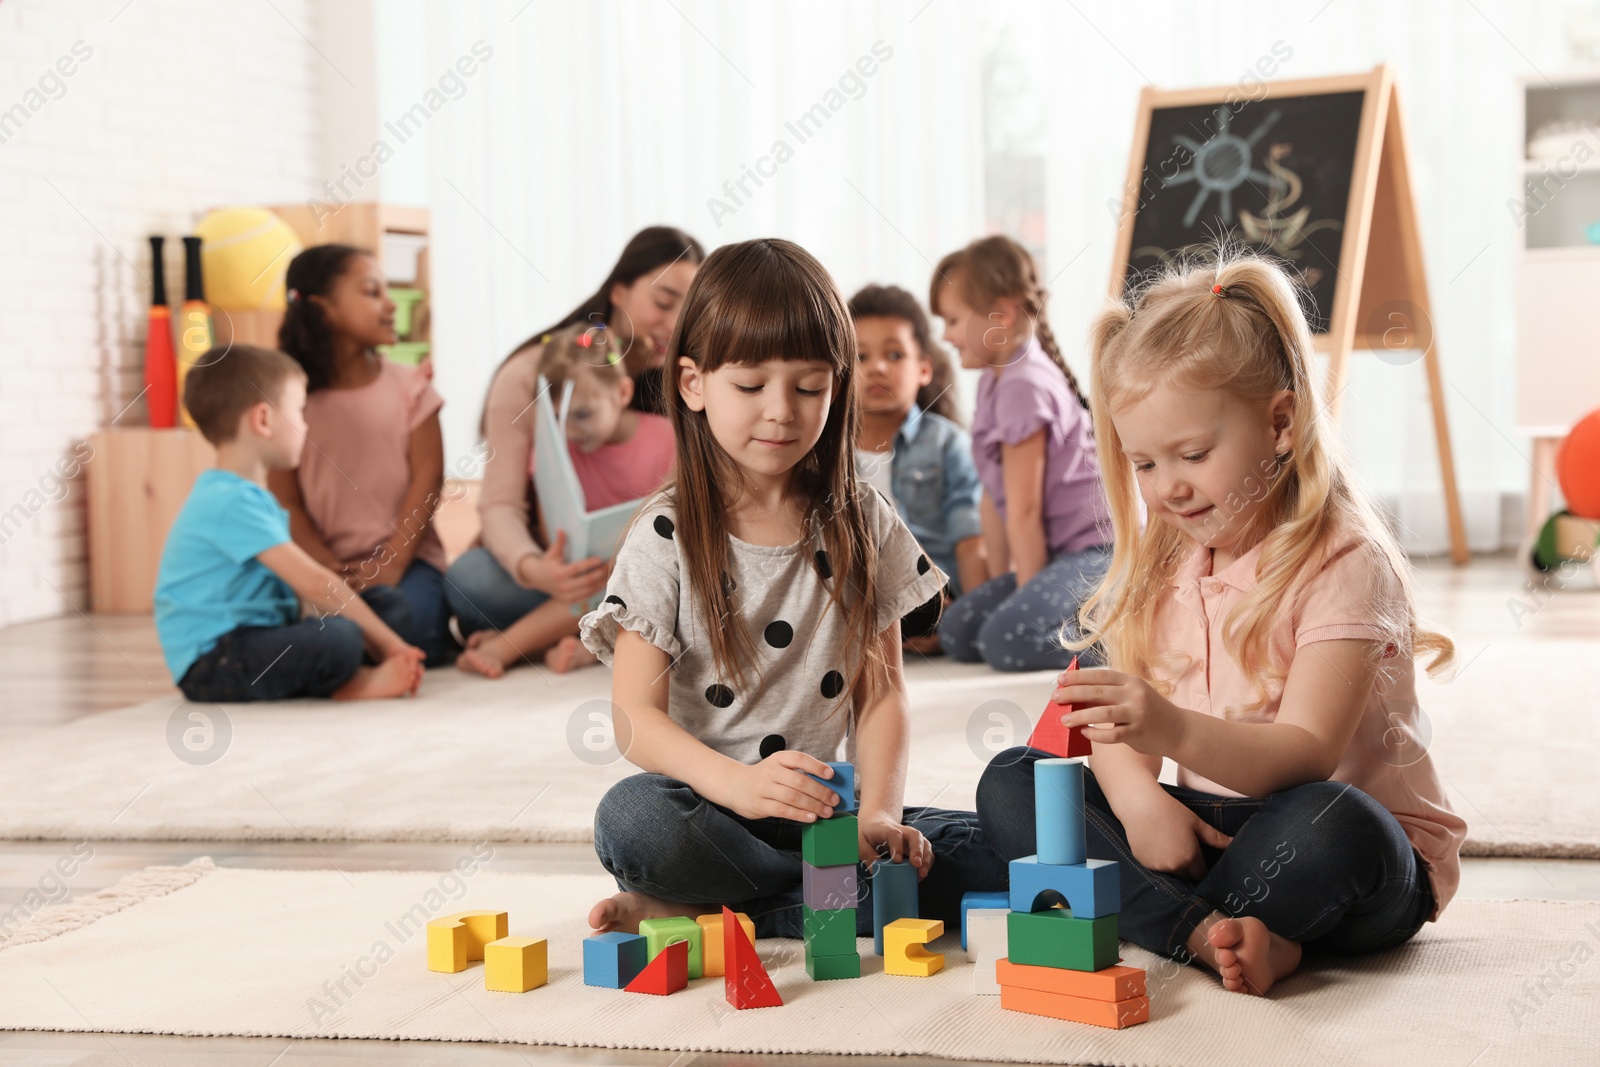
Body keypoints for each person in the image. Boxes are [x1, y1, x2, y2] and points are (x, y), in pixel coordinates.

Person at [976, 251, 1467, 996]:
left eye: (1194, 454)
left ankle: (1170, 922)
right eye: (1143, 464)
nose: (1168, 486)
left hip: (1334, 838)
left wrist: (1168, 732)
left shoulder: (1343, 560)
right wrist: (1141, 802)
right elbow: (1098, 718)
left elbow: (1304, 755)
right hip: (1205, 830)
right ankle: (1215, 933)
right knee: (1013, 780)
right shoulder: (1163, 559)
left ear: (1279, 422)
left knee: (1335, 824)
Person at [576, 239, 1006, 939]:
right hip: (711, 818)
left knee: (1003, 846)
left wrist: (879, 816)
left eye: (809, 387)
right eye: (750, 387)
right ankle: (823, 901)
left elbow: (884, 692)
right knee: (633, 821)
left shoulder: (863, 518)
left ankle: (717, 912)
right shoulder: (666, 532)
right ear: (692, 383)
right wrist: (740, 785)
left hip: (828, 821)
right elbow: (634, 719)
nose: (781, 411)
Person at [443, 227, 704, 658]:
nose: (676, 323)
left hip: (647, 567)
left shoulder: (689, 380)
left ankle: (561, 635)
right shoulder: (533, 372)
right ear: (618, 292)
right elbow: (500, 504)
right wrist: (536, 569)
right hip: (555, 563)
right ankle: (594, 630)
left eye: (689, 309)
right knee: (470, 581)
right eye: (663, 302)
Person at [155, 344, 424, 702]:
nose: (306, 425)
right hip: (215, 661)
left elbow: (296, 597)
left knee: (386, 606)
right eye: (299, 413)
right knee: (340, 638)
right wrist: (391, 644)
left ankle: (349, 666)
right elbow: (314, 584)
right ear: (263, 420)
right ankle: (352, 684)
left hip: (259, 638)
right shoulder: (229, 501)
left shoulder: (251, 497)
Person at [269, 244, 457, 667]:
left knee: (410, 620)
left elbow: (427, 482)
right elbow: (286, 500)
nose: (390, 304)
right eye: (372, 292)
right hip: (323, 567)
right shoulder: (290, 401)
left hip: (405, 565)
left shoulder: (411, 389)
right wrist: (327, 570)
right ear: (322, 310)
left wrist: (390, 564)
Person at [931, 235, 1110, 671]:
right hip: (1058, 555)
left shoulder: (1022, 384)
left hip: (1098, 553)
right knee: (957, 631)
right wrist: (1003, 587)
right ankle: (1070, 621)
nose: (947, 336)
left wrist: (1024, 596)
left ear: (1002, 315)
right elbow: (994, 502)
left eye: (953, 320)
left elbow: (1025, 512)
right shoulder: (996, 381)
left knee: (1006, 641)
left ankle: (1131, 643)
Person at [456, 323, 673, 678]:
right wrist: (552, 568)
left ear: (621, 392)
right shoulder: (555, 449)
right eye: (558, 419)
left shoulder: (667, 439)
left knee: (629, 586)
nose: (571, 431)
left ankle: (508, 645)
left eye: (583, 415)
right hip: (579, 576)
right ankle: (591, 643)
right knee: (469, 579)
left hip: (647, 576)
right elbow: (554, 526)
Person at [850, 283, 986, 655]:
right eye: (860, 356)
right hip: (857, 602)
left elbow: (970, 538)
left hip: (935, 599)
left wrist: (969, 615)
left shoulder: (947, 443)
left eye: (894, 354)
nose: (877, 367)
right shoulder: (823, 452)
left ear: (924, 368)